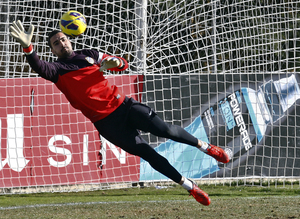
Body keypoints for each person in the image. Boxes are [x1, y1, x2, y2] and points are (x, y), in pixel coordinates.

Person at [9, 20, 230, 206]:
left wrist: (116, 62)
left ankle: (207, 148)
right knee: (148, 154)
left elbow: (121, 64)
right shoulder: (56, 70)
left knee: (166, 130)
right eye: (56, 44)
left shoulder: (90, 54)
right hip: (107, 124)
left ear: (70, 39)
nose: (61, 44)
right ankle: (189, 187)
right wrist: (29, 48)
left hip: (124, 106)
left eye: (63, 39)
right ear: (53, 51)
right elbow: (38, 66)